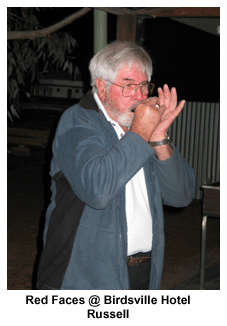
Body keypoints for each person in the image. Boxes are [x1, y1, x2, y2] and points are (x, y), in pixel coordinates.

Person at [37, 41, 195, 290]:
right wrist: (141, 132)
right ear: (102, 86)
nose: (141, 96)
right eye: (129, 85)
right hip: (83, 276)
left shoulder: (142, 133)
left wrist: (158, 138)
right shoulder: (78, 122)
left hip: (143, 271)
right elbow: (98, 190)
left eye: (143, 85)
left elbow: (181, 195)